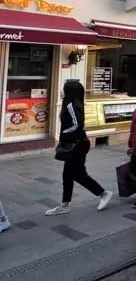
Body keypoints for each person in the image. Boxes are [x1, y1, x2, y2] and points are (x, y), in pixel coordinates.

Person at [45, 80, 113, 216]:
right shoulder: (73, 104)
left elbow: (77, 125)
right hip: (77, 142)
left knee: (77, 174)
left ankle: (103, 193)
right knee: (69, 174)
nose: (62, 92)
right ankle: (65, 204)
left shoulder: (71, 105)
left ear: (70, 91)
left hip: (78, 144)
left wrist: (63, 135)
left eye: (64, 89)